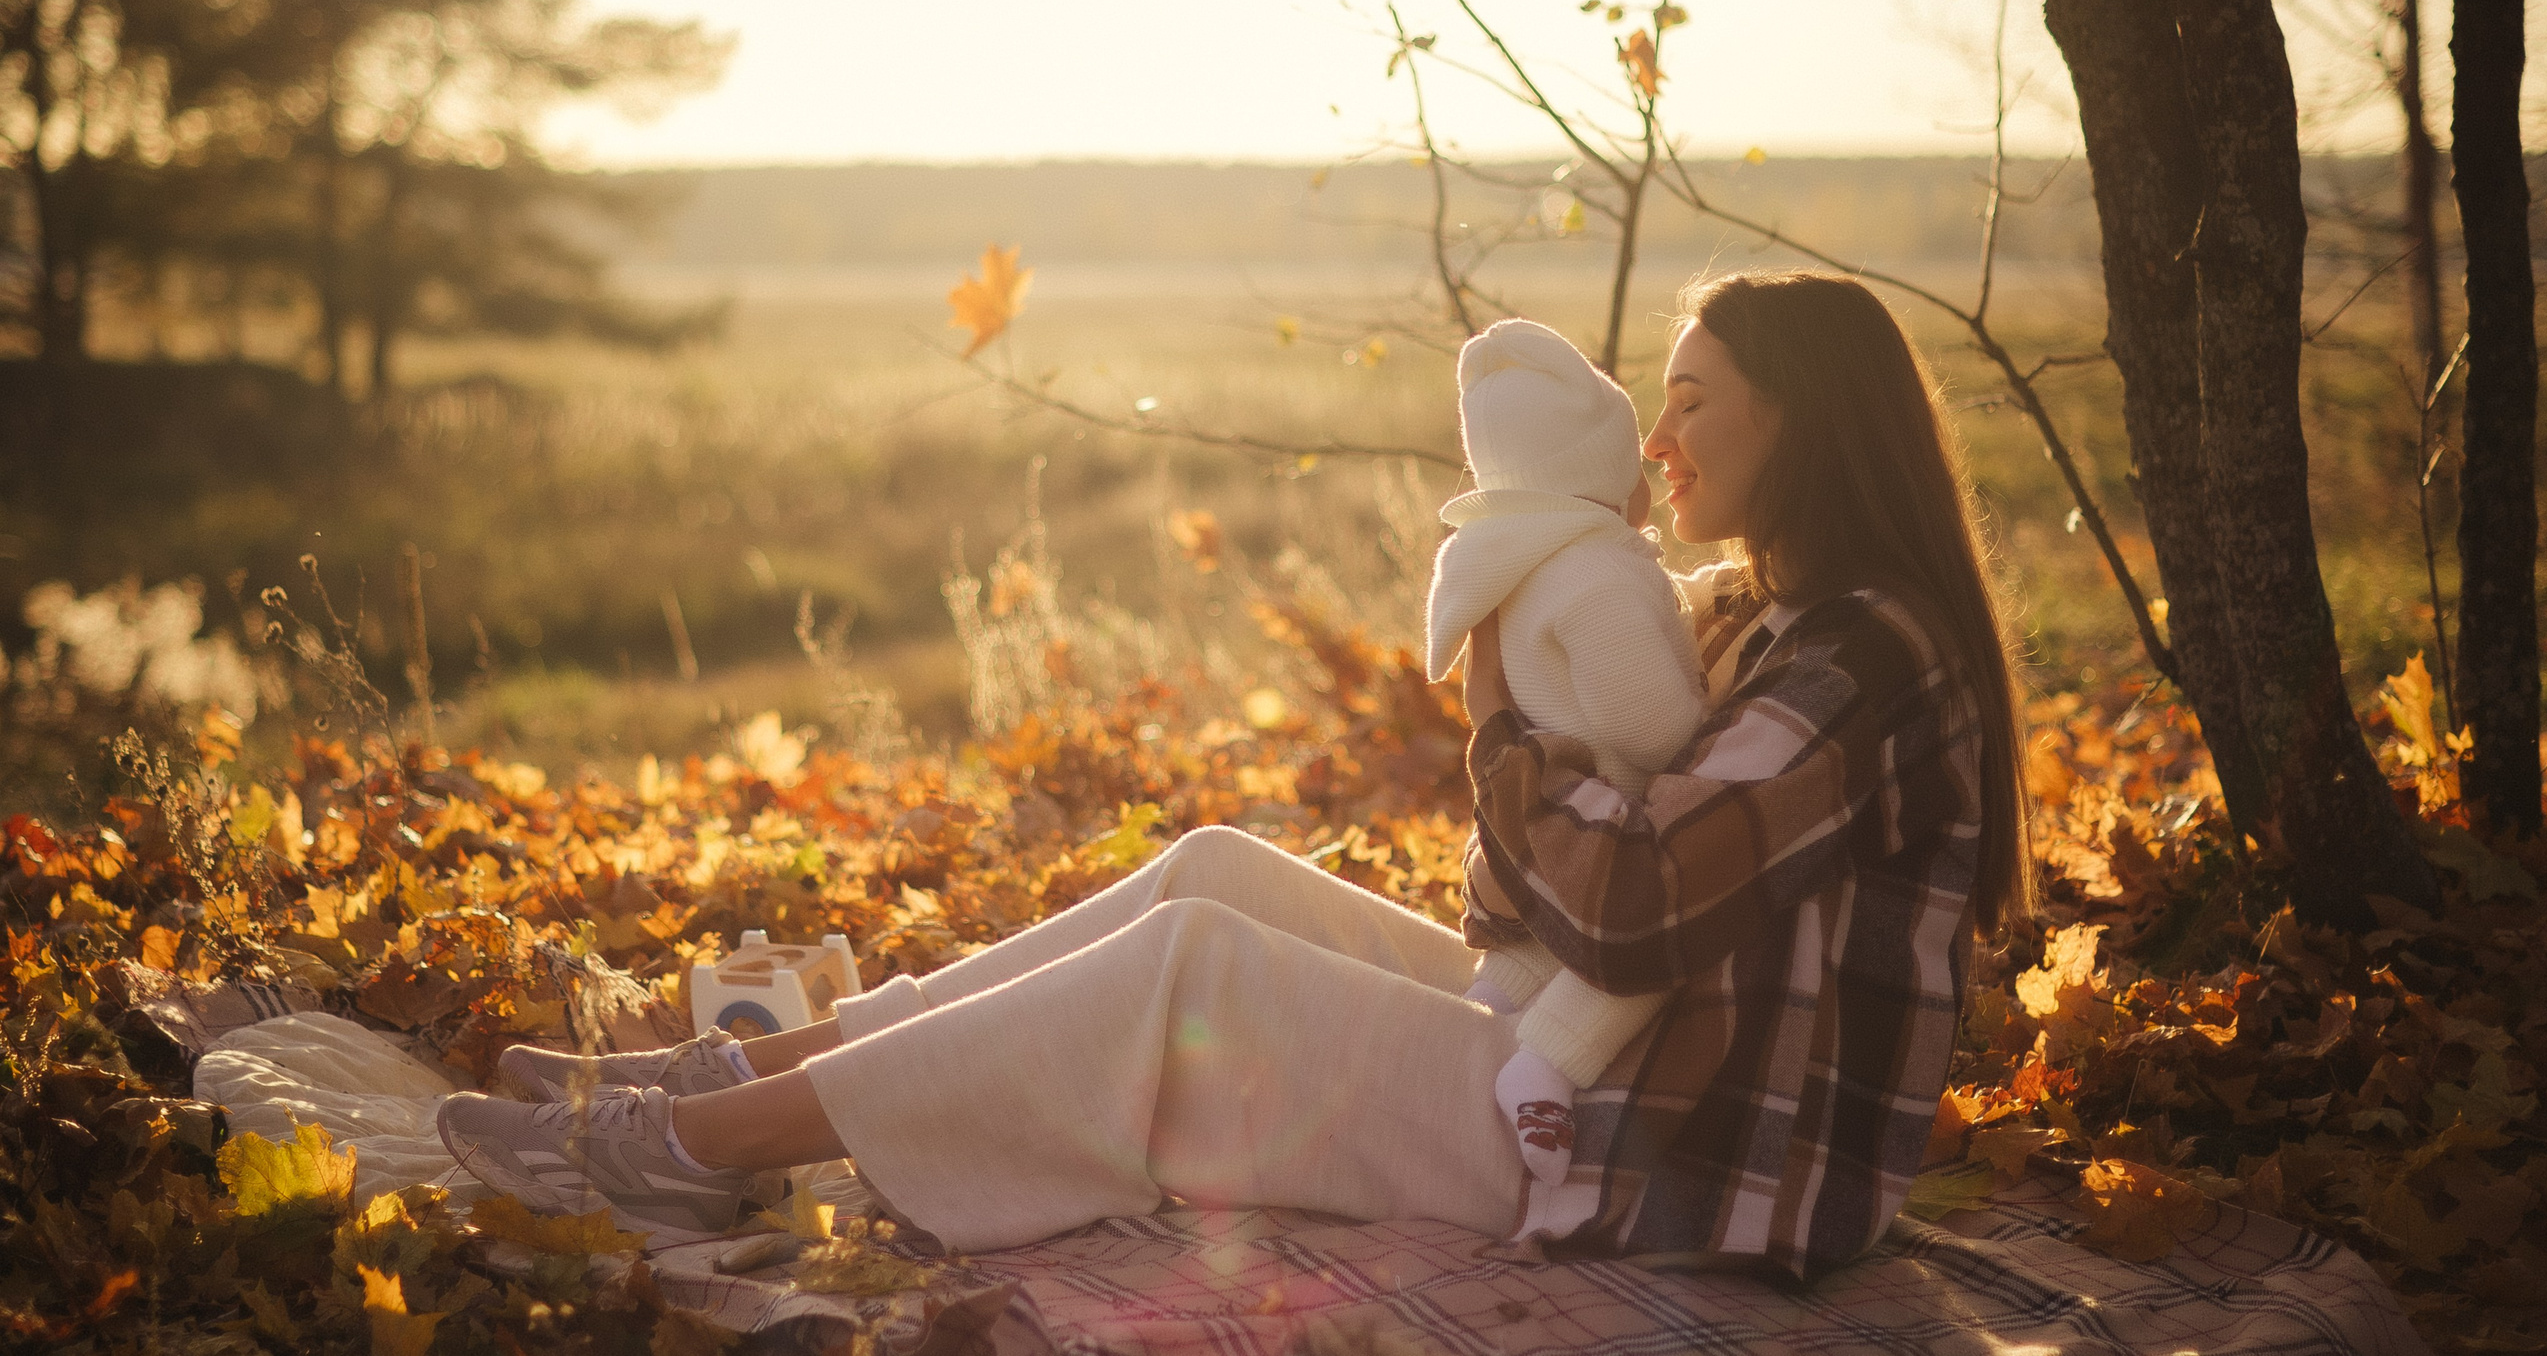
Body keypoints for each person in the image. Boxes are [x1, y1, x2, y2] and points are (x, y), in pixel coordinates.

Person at [434, 268, 2030, 1282]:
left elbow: (1629, 907)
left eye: (1690, 397)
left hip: (1688, 1162)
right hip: (1603, 1074)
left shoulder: (1873, 655)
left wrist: (1493, 711)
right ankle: (755, 1079)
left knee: (1200, 969)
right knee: (1216, 869)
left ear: (1799, 418)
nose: (1661, 436)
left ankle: (684, 1161)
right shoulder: (1765, 612)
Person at [1418, 319, 1706, 1185]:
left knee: (1520, 965)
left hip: (1535, 831)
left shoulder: (1526, 558)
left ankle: (1463, 1045)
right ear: (1605, 479)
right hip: (1608, 836)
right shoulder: (1597, 576)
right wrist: (1712, 705)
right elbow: (1649, 724)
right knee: (1658, 954)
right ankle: (1546, 1066)